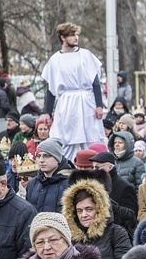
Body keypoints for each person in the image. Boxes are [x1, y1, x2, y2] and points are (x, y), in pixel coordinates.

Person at [41, 22, 105, 160]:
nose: (76, 38)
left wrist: (99, 105)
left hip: (86, 101)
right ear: (63, 37)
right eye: (72, 35)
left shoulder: (86, 55)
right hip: (66, 103)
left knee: (90, 136)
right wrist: (47, 112)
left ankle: (92, 164)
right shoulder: (55, 60)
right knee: (65, 137)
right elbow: (51, 88)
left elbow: (95, 83)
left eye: (77, 35)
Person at [26, 138, 73, 213]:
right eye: (38, 156)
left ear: (57, 158)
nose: (41, 160)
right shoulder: (32, 184)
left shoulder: (69, 184)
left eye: (46, 155)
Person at [89, 151, 140, 215]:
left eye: (97, 167)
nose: (94, 170)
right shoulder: (95, 184)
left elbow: (130, 215)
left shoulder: (124, 187)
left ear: (110, 167)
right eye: (93, 167)